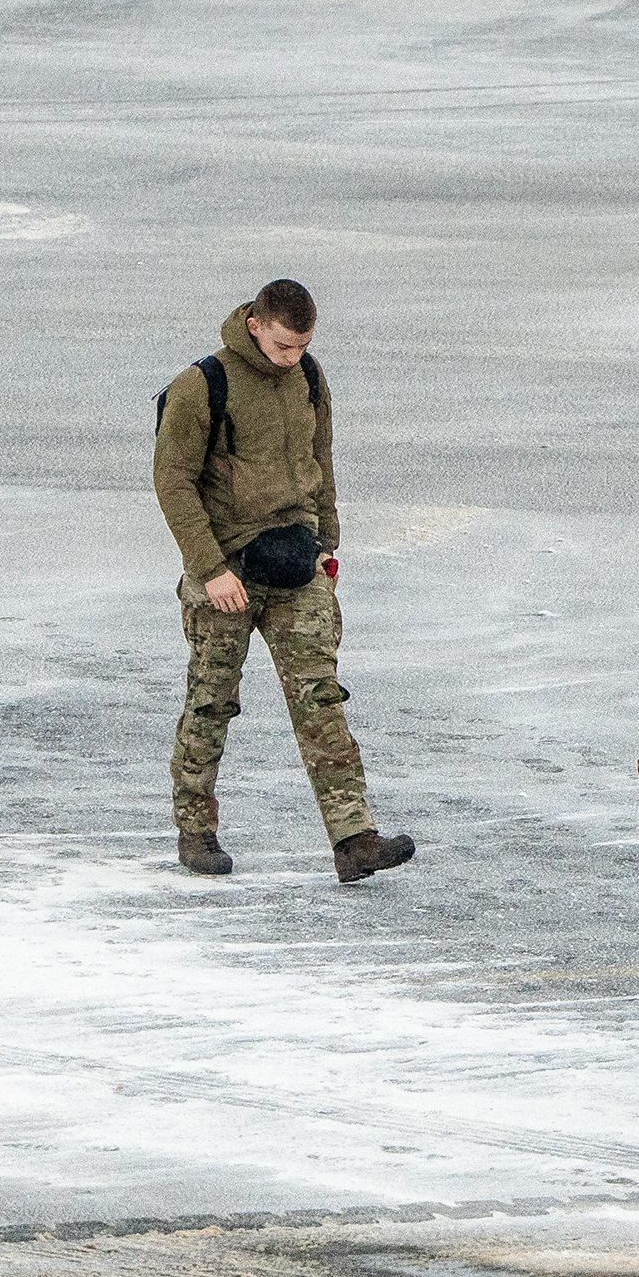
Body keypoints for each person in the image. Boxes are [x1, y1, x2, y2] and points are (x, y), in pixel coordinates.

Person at [152, 280, 413, 884]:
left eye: (301, 346)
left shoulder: (310, 377)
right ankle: (196, 831)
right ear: (253, 326)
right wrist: (209, 568)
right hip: (228, 571)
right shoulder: (202, 385)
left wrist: (328, 546)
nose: (291, 356)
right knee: (210, 702)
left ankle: (354, 840)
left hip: (297, 565)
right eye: (281, 344)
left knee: (321, 698)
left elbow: (320, 462)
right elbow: (172, 482)